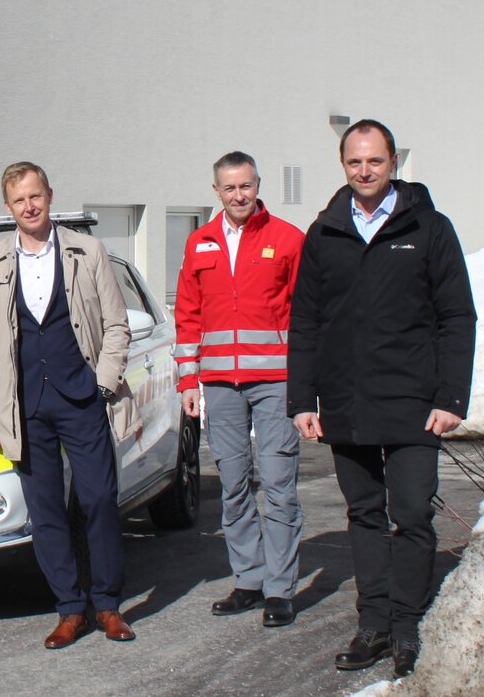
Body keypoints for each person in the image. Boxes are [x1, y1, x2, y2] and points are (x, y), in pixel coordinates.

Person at [288, 119, 476, 678]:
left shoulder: (430, 227)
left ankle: (406, 623)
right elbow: (305, 322)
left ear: (394, 162)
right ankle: (373, 623)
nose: (364, 171)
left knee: (412, 512)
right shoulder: (325, 232)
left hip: (415, 401)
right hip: (346, 401)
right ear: (342, 165)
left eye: (374, 161)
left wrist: (452, 396)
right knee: (364, 514)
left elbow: (457, 317)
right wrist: (302, 398)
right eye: (354, 162)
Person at [0, 161, 139, 649]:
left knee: (100, 499)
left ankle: (107, 605)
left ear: (49, 196)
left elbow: (116, 326)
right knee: (44, 509)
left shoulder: (88, 252)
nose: (29, 206)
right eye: (20, 199)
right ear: (8, 207)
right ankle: (69, 609)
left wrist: (102, 383)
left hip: (82, 397)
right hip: (24, 405)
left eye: (36, 196)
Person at [175, 151, 305, 627]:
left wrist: (307, 385)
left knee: (278, 485)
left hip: (275, 383)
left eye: (246, 186)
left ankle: (279, 589)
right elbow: (187, 317)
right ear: (216, 191)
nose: (239, 195)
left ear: (257, 185)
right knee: (233, 486)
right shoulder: (199, 243)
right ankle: (248, 580)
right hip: (220, 385)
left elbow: (308, 317)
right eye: (229, 188)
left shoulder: (288, 240)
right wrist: (189, 380)